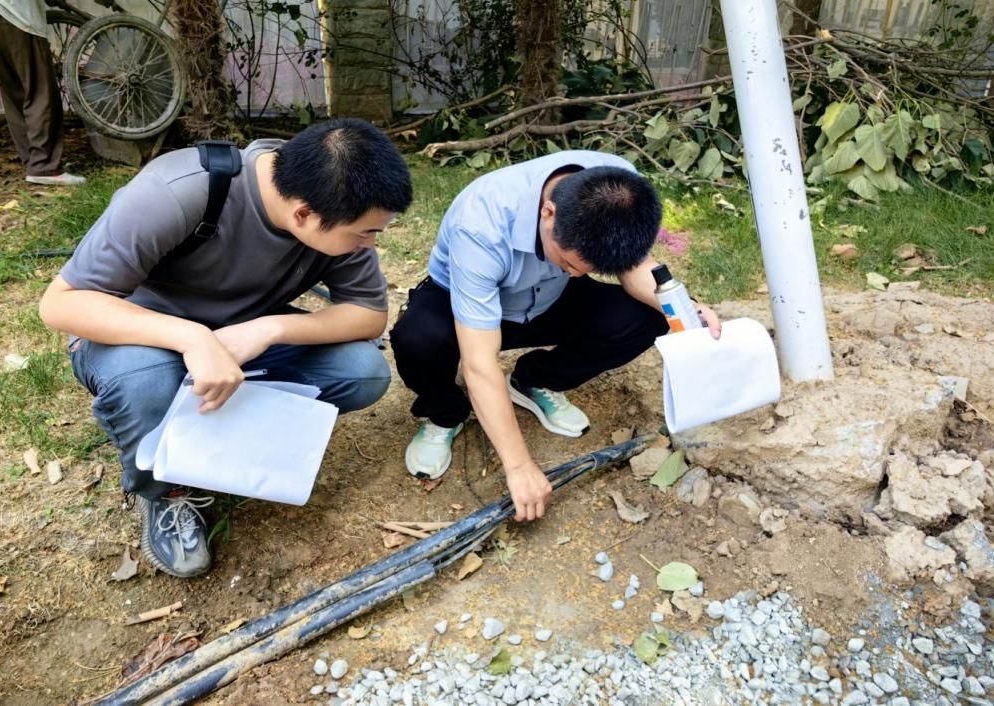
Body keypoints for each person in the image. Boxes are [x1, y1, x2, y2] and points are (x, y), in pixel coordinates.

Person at [39, 119, 413, 578]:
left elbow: (368, 314)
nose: (368, 245)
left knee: (362, 370)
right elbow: (62, 303)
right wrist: (191, 338)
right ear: (303, 214)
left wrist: (269, 329)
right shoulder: (178, 191)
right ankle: (164, 492)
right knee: (145, 384)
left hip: (239, 336)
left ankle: (224, 442)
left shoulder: (336, 207)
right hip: (139, 335)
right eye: (364, 234)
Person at [390, 150, 720, 523]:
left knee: (650, 316)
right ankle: (444, 414)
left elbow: (636, 268)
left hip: (549, 296)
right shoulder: (481, 224)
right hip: (463, 304)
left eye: (588, 269)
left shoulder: (621, 190)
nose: (579, 274)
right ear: (548, 213)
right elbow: (478, 362)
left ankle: (534, 380)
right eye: (570, 262)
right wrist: (519, 467)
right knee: (417, 338)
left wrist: (685, 309)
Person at [0, 0, 85, 186]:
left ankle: (32, 160)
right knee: (40, 92)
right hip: (16, 16)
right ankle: (43, 166)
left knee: (14, 91)